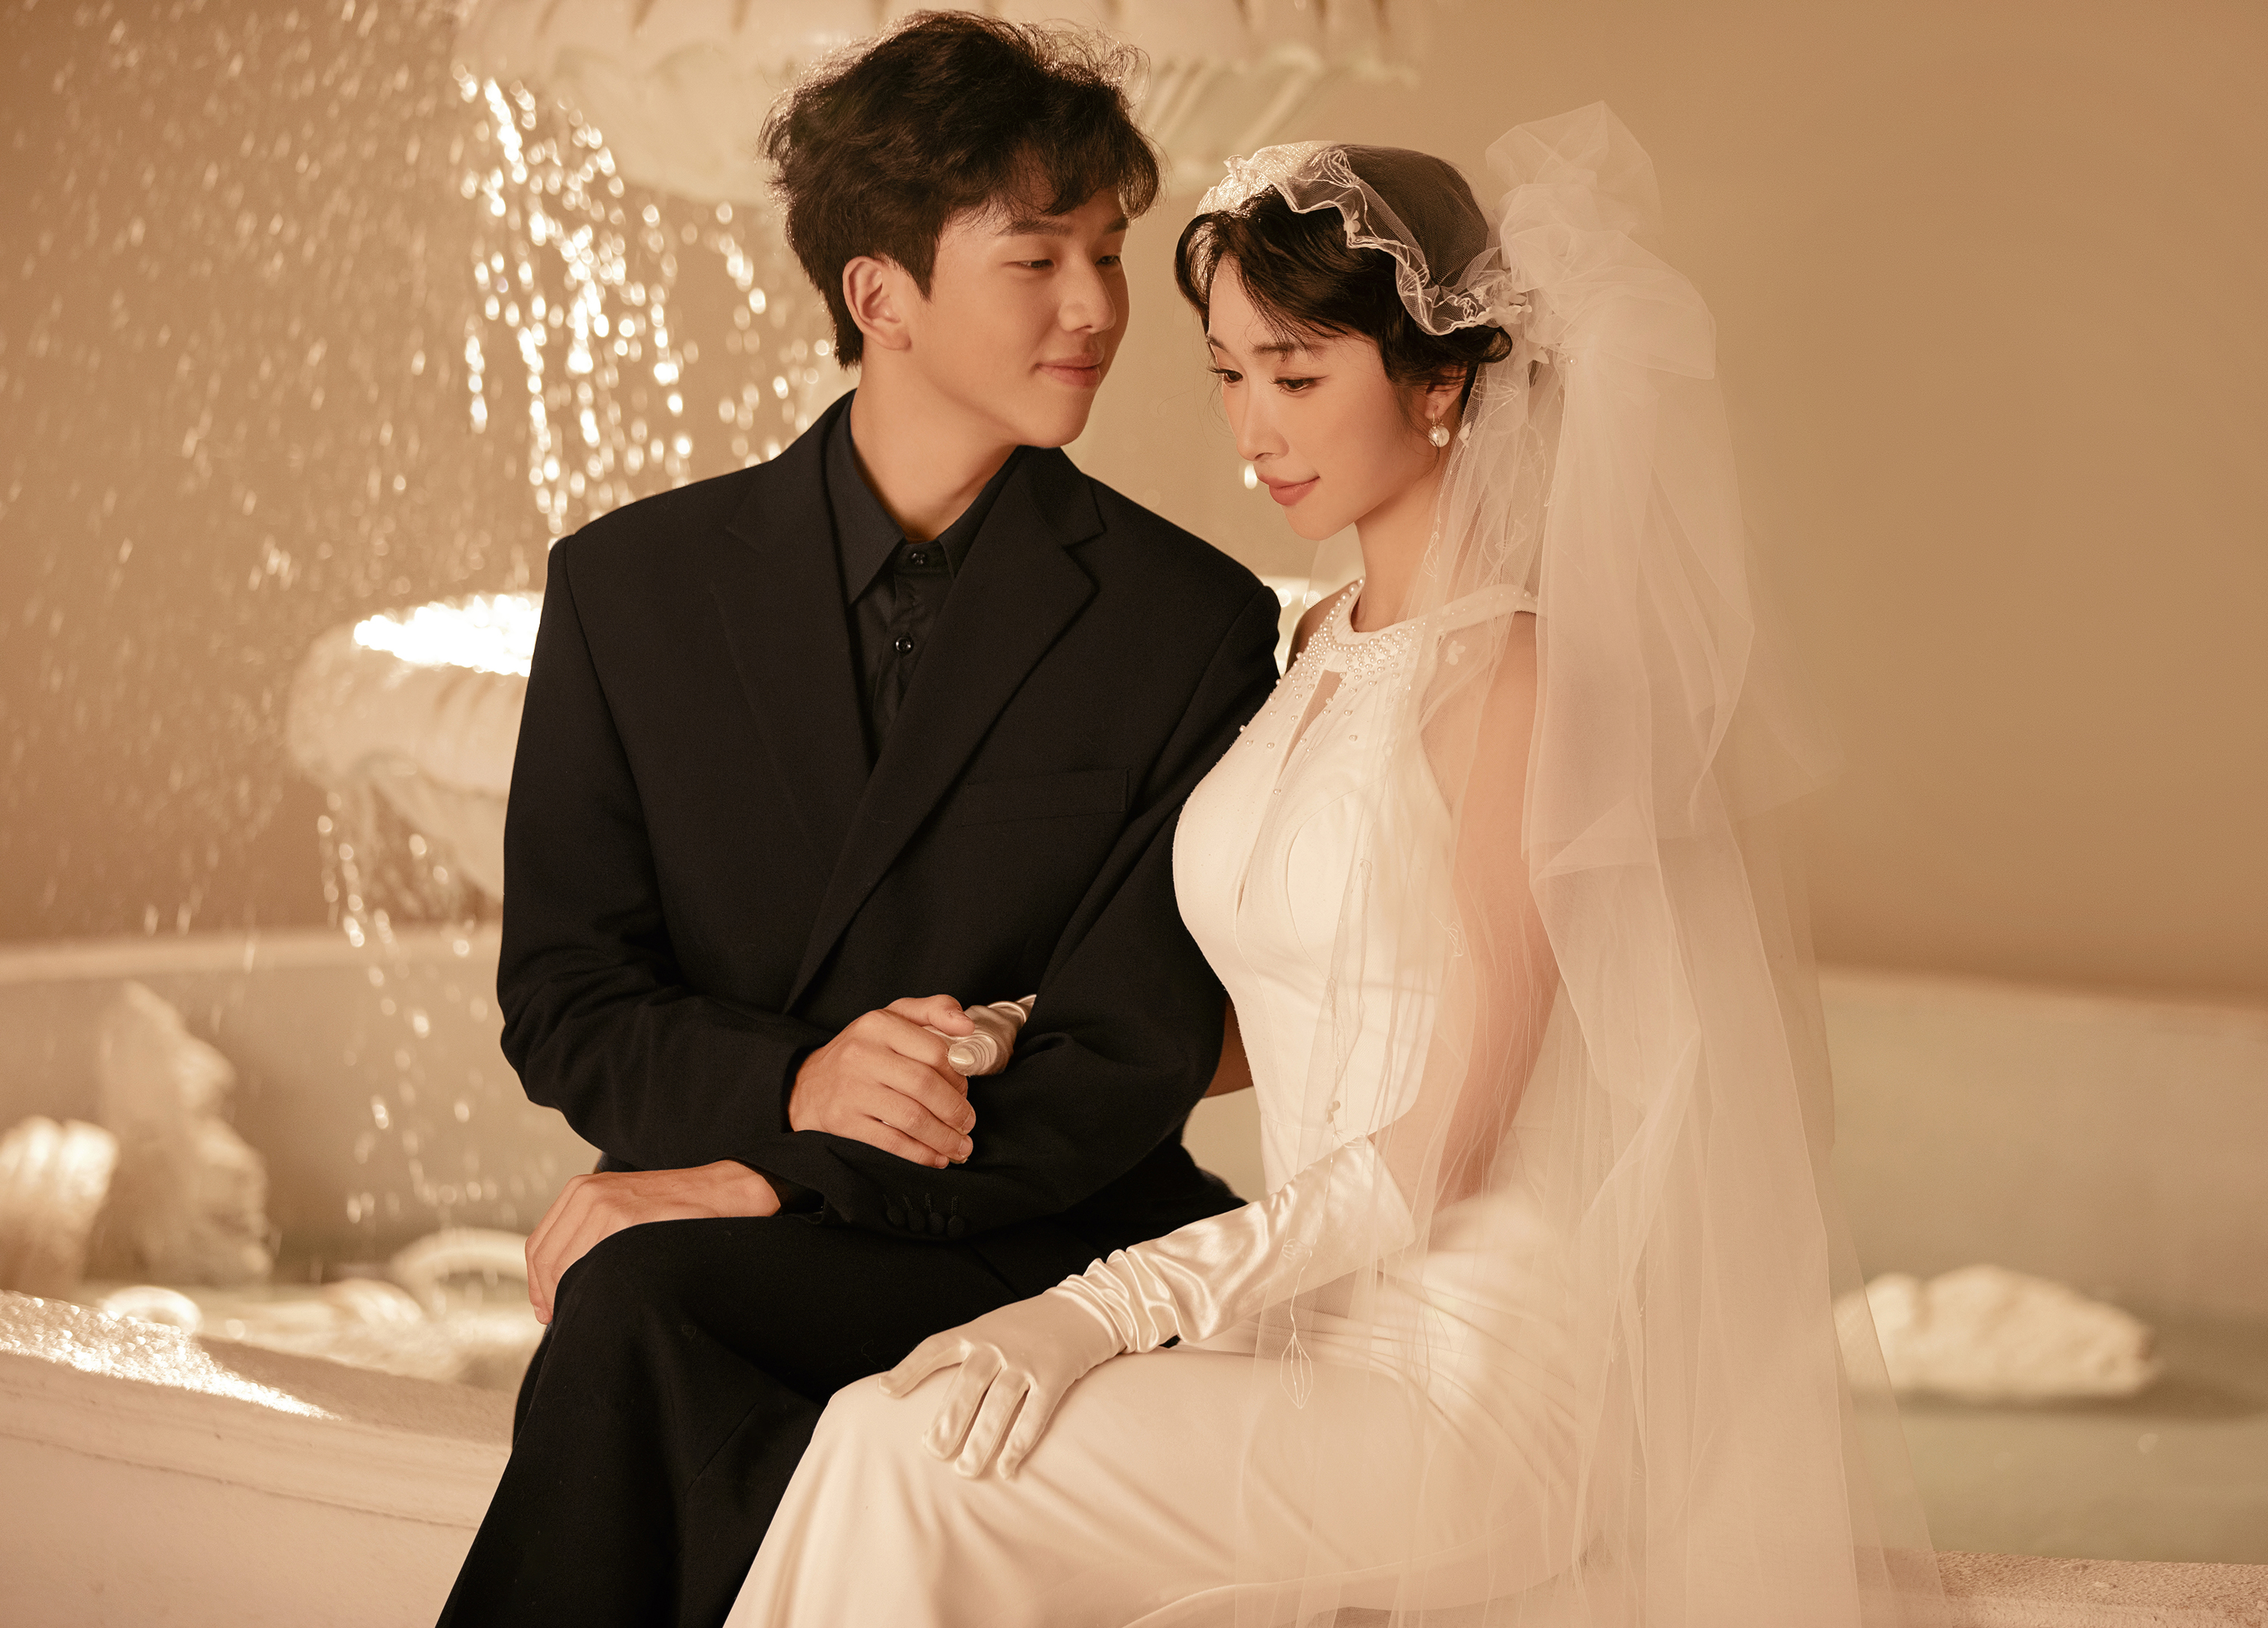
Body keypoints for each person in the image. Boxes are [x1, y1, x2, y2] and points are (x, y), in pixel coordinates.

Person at [727, 108, 1950, 1627]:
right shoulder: (1312, 644)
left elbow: (1445, 1141)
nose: (1255, 428)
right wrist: (1007, 1031)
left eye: (1297, 375)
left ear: (1440, 380)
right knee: (884, 1424)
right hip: (1301, 1340)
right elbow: (1296, 1000)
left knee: (901, 1446)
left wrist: (1102, 1306)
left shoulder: (1522, 679)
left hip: (1473, 1394)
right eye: (1228, 374)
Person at [436, 16, 1283, 1626]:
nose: (1098, 306)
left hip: (1038, 1231)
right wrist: (793, 1086)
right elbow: (565, 1000)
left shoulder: (1189, 620)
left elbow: (1131, 1050)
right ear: (879, 297)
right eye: (1036, 258)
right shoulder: (627, 590)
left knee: (644, 1306)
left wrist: (780, 1171)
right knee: (653, 1310)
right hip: (732, 1247)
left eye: (1109, 252)